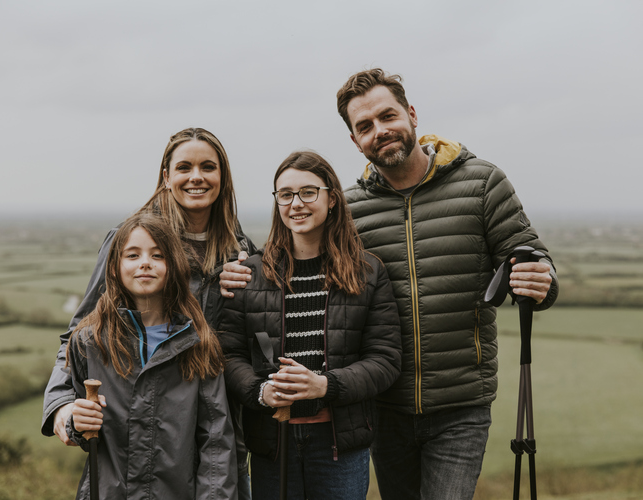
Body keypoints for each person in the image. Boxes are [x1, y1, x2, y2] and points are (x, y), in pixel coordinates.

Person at [220, 69, 559, 500]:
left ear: (411, 114)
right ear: (355, 140)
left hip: (460, 400)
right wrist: (237, 272)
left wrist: (540, 280)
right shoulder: (351, 208)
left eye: (388, 116)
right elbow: (293, 260)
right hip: (383, 406)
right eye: (365, 126)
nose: (380, 131)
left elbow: (529, 258)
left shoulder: (482, 183)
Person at [42, 127, 256, 499]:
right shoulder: (130, 241)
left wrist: (250, 289)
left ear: (223, 177)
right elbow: (81, 335)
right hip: (140, 423)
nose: (196, 177)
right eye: (184, 167)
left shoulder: (240, 251)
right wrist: (61, 407)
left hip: (213, 422)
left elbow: (250, 340)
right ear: (166, 176)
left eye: (208, 167)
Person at [218, 151, 402, 500]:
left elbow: (385, 359)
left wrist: (324, 385)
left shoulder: (366, 272)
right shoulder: (251, 274)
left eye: (308, 192)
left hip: (339, 446)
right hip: (272, 441)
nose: (296, 203)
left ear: (331, 198)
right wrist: (260, 392)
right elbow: (229, 353)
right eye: (285, 194)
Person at [67, 212, 237, 499]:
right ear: (114, 267)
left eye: (157, 255)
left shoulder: (198, 342)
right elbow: (80, 422)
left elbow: (216, 441)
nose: (145, 262)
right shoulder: (90, 341)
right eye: (132, 255)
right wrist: (75, 423)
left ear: (174, 265)